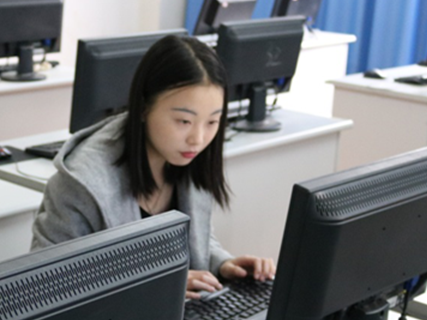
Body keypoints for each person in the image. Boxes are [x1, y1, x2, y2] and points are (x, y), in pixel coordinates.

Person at [31, 35, 274, 298]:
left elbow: (194, 240)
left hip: (172, 314)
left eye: (212, 122)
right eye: (184, 121)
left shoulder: (186, 158)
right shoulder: (80, 183)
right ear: (144, 107)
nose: (198, 138)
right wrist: (158, 283)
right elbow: (48, 283)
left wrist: (223, 264)